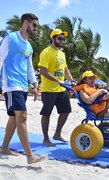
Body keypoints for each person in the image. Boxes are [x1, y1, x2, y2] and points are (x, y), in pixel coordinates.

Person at [0, 13, 45, 164]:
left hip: (22, 84)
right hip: (11, 83)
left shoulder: (29, 46)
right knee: (22, 116)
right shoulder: (10, 38)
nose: (36, 29)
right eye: (34, 26)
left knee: (14, 118)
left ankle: (4, 147)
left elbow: (29, 67)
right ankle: (30, 156)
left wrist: (34, 82)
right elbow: (0, 58)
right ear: (25, 23)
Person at [38, 29, 75, 146]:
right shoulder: (46, 52)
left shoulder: (62, 54)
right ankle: (45, 138)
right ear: (53, 38)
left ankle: (57, 134)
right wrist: (58, 80)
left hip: (61, 89)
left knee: (66, 111)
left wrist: (72, 80)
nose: (62, 41)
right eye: (59, 38)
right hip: (49, 90)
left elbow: (65, 69)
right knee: (46, 114)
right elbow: (43, 70)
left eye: (63, 39)